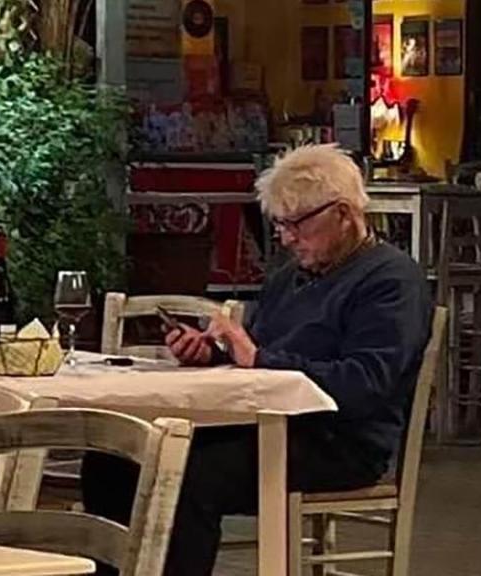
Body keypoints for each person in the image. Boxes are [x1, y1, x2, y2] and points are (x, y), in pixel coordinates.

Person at [81, 144, 432, 576]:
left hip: (336, 441)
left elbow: (366, 382)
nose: (286, 238)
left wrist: (258, 357)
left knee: (186, 474)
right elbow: (258, 357)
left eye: (295, 224)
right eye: (280, 225)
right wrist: (212, 353)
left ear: (342, 214)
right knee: (112, 459)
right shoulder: (291, 277)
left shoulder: (391, 279)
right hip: (261, 425)